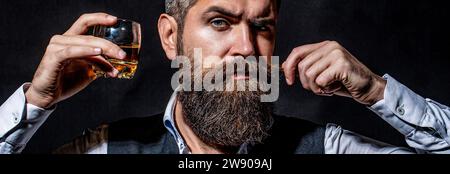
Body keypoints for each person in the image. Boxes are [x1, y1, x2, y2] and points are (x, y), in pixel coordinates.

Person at [1, 0, 450, 154]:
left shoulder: (325, 148)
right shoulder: (106, 148)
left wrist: (376, 90)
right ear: (172, 38)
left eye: (262, 26)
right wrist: (35, 104)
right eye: (219, 22)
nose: (248, 50)